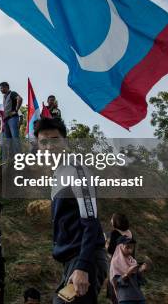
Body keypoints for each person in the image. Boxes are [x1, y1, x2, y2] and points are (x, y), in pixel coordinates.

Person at [34, 118, 107, 303]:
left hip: (84, 258)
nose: (49, 146)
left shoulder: (76, 169)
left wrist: (82, 266)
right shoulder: (57, 175)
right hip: (71, 262)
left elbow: (91, 221)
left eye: (54, 139)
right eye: (44, 142)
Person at [109, 238, 149, 304]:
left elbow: (138, 281)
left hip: (139, 297)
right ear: (120, 247)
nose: (130, 250)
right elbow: (116, 283)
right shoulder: (115, 262)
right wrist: (127, 273)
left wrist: (141, 270)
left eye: (132, 247)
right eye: (127, 247)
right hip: (126, 298)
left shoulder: (133, 261)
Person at [0, 82, 22, 159]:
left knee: (15, 137)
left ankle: (19, 157)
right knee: (8, 140)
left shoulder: (12, 93)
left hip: (12, 118)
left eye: (2, 87)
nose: (1, 89)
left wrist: (16, 110)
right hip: (6, 120)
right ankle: (12, 158)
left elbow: (20, 99)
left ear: (7, 87)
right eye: (0, 88)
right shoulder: (4, 97)